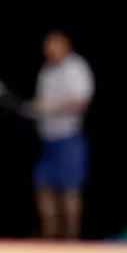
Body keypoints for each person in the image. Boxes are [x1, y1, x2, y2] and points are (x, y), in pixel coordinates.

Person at [26, 30, 94, 240]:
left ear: (65, 46)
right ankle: (50, 236)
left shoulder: (75, 67)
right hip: (48, 139)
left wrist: (49, 108)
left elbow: (80, 100)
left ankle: (71, 239)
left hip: (69, 138)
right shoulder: (46, 71)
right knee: (43, 187)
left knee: (69, 190)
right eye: (46, 47)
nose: (48, 51)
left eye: (52, 46)